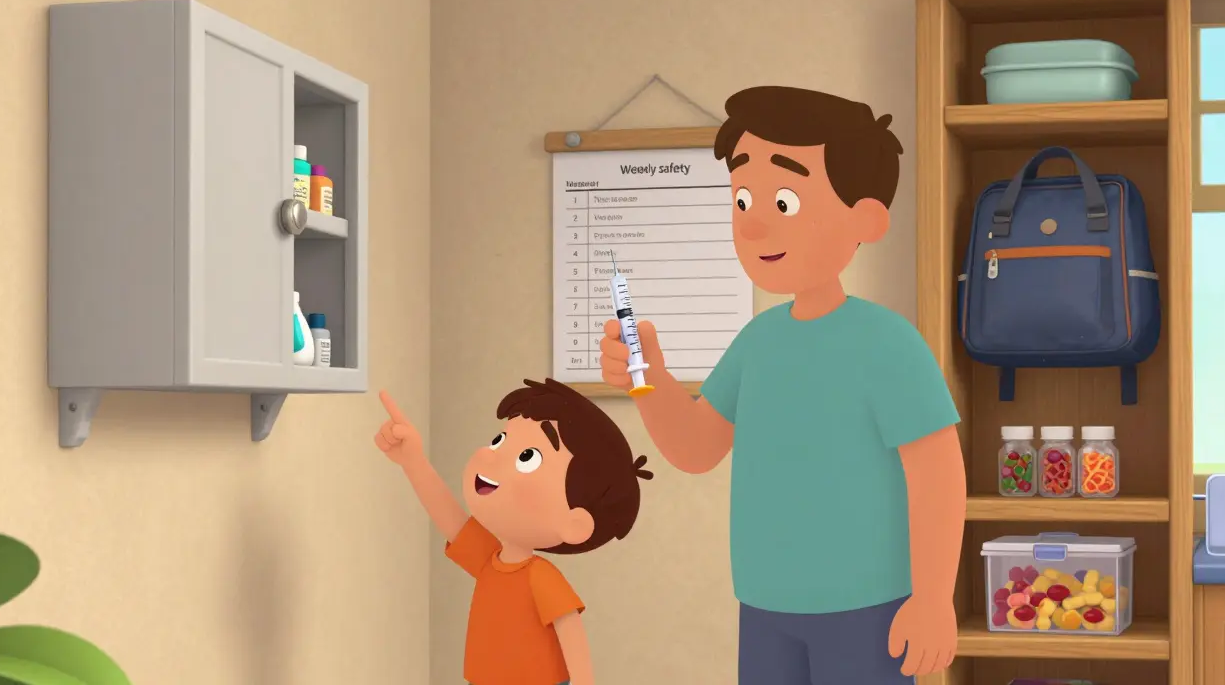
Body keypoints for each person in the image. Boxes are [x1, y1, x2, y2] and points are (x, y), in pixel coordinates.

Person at [598, 86, 965, 684]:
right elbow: (696, 448)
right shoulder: (758, 342)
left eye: (786, 201)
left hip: (867, 607)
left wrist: (932, 600)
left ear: (866, 218)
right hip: (766, 606)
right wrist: (649, 380)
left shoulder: (887, 343)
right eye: (743, 199)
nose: (757, 222)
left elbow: (937, 473)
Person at [373, 378, 653, 685]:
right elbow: (451, 520)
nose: (492, 456)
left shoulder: (540, 577)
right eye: (499, 441)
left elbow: (569, 630)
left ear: (574, 524)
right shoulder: (491, 560)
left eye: (527, 458)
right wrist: (412, 461)